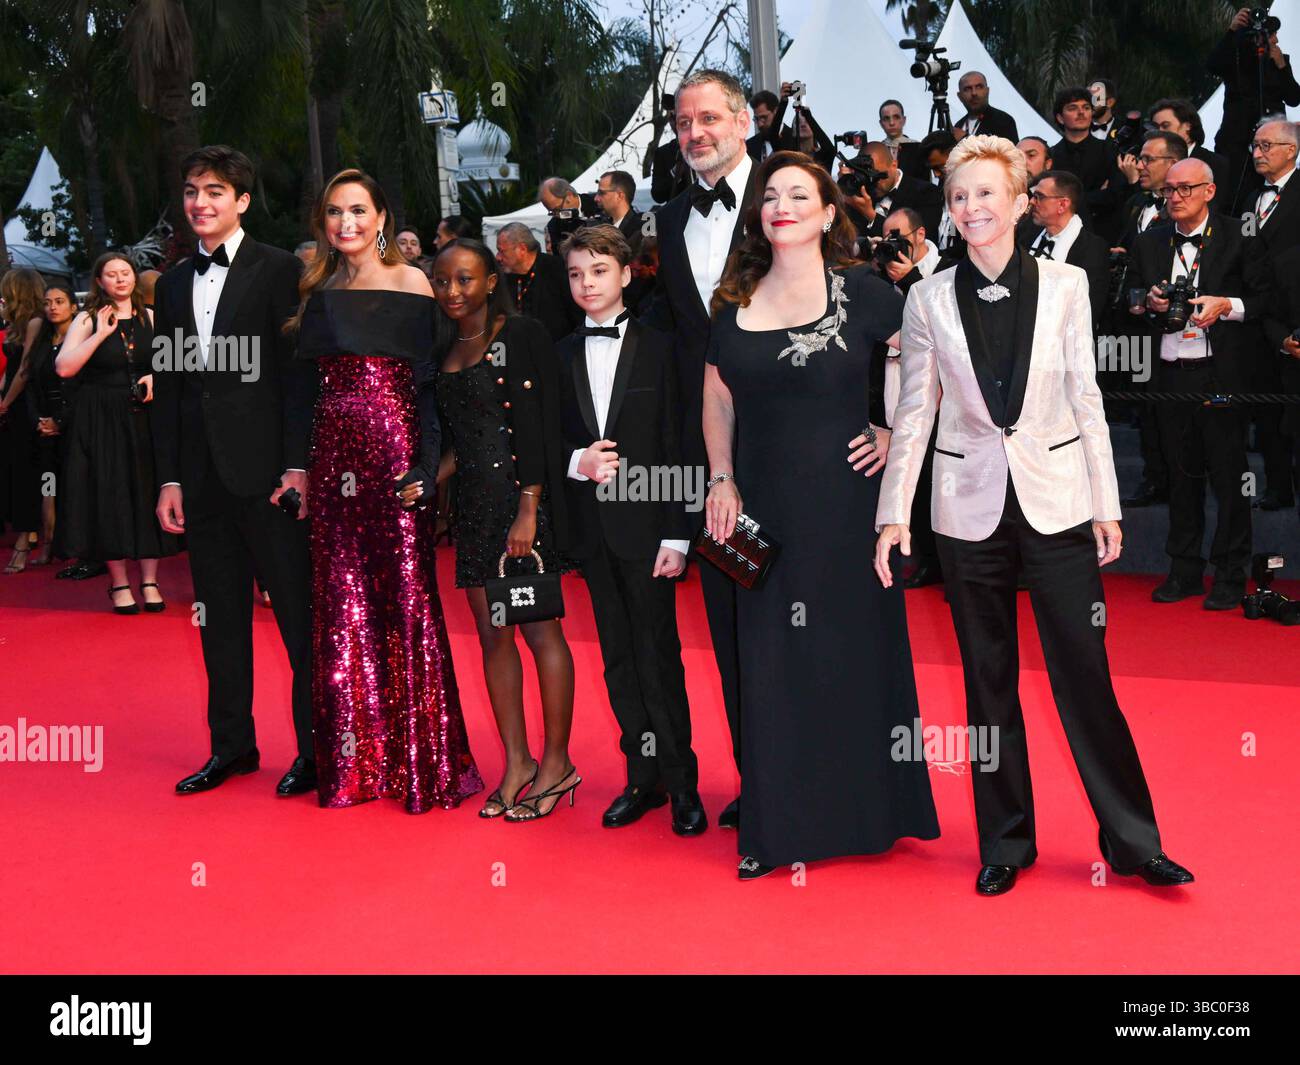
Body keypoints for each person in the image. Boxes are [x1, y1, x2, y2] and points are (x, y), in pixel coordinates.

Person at [875, 134, 1193, 896]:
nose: (972, 206)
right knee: (987, 684)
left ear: (1022, 203)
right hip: (964, 510)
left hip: (1056, 503)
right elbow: (916, 412)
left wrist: (1105, 502)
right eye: (959, 196)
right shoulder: (924, 297)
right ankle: (1005, 842)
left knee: (1085, 675)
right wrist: (894, 514)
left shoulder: (1068, 286)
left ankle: (1133, 840)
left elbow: (1087, 396)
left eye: (987, 193)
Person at [704, 151, 938, 879]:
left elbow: (922, 363)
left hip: (843, 504)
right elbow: (717, 396)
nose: (782, 205)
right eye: (770, 195)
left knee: (850, 651)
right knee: (769, 660)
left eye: (799, 194)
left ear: (829, 212)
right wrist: (721, 476)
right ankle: (779, 822)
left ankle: (869, 811)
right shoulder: (734, 299)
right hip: (757, 509)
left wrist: (894, 431)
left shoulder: (865, 293)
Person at [286, 168, 483, 813]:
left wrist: (430, 467)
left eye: (358, 210)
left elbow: (430, 386)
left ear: (380, 218)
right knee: (341, 604)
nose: (346, 223)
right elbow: (305, 394)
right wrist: (302, 470)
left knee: (406, 597)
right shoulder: (317, 292)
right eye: (335, 212)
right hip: (331, 461)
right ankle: (354, 766)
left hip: (395, 459)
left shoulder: (414, 284)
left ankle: (420, 764)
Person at [151, 145, 315, 797]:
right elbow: (169, 386)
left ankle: (315, 750)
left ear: (242, 201)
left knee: (299, 621)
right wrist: (168, 477)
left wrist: (297, 463)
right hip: (201, 476)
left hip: (271, 476)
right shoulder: (168, 284)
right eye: (192, 191)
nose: (201, 203)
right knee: (219, 619)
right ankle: (232, 748)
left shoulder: (279, 270)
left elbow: (298, 377)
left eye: (215, 191)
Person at [642, 68, 758, 831]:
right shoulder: (672, 215)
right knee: (732, 627)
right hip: (716, 462)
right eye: (684, 123)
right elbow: (687, 357)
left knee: (799, 620)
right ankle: (761, 776)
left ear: (744, 121)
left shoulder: (792, 193)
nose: (696, 134)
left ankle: (818, 774)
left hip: (798, 449)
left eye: (710, 118)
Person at [556, 224, 701, 834]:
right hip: (592, 532)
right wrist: (576, 462)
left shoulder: (663, 347)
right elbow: (542, 437)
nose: (586, 284)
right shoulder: (559, 352)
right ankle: (642, 778)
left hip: (650, 530)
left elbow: (681, 438)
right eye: (575, 274)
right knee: (617, 658)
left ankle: (683, 783)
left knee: (658, 656)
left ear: (625, 275)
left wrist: (677, 534)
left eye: (597, 271)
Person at [430, 238, 579, 822]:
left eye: (464, 279)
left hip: (521, 513)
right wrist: (422, 481)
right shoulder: (445, 345)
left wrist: (529, 506)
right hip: (473, 513)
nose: (452, 291)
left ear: (492, 281)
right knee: (495, 639)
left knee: (540, 635)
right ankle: (516, 761)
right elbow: (460, 445)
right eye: (441, 281)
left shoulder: (520, 335)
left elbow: (541, 426)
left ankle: (557, 762)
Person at [1130, 157, 1264, 610]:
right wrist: (1146, 300)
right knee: (1180, 477)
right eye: (1169, 190)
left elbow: (1267, 297)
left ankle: (1230, 574)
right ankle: (1184, 569)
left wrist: (1226, 304)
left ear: (1209, 190)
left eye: (1185, 189)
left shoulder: (1238, 234)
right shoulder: (1150, 240)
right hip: (1170, 374)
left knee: (1230, 480)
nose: (1175, 197)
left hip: (1220, 372)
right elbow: (1129, 297)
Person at [56, 252, 177, 612]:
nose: (121, 280)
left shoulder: (152, 317)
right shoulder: (88, 318)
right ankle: (120, 583)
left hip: (144, 416)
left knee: (145, 489)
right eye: (112, 275)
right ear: (100, 282)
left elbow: (174, 364)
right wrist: (100, 335)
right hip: (100, 417)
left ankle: (150, 581)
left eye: (126, 273)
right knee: (108, 492)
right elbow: (64, 368)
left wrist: (157, 377)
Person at [1243, 118, 1300, 511]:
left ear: (1291, 150)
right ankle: (1278, 488)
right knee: (1267, 414)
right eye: (1255, 145)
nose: (1257, 153)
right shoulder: (1249, 199)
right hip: (1262, 324)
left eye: (1266, 146)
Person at [1209, 6, 1300, 211]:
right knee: (1233, 193)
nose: (1275, 40)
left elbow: (1294, 98)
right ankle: (1234, 234)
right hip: (1237, 140)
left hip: (1271, 141)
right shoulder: (1237, 58)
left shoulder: (1280, 60)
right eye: (1271, 36)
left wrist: (1282, 67)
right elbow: (1213, 65)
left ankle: (1250, 233)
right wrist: (1231, 32)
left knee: (1259, 195)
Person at [25, 284, 79, 567]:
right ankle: (48, 545)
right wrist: (38, 421)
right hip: (44, 426)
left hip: (74, 423)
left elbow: (81, 387)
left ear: (73, 306)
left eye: (59, 301)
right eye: (47, 302)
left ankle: (76, 548)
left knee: (74, 485)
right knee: (49, 486)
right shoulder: (42, 344)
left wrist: (61, 421)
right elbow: (31, 385)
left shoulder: (82, 339)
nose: (53, 307)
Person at [0, 268, 46, 573]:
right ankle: (26, 534)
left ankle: (24, 541)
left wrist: (5, 402)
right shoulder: (16, 324)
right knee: (14, 470)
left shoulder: (36, 322)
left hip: (27, 405)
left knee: (27, 472)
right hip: (11, 404)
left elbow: (26, 369)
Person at [1023, 170, 1111, 329]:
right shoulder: (1026, 236)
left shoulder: (1092, 249)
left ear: (1063, 204)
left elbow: (1089, 309)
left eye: (1039, 197)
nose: (1032, 201)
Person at [1049, 87, 1124, 239]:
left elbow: (1115, 196)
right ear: (1060, 118)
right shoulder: (1051, 155)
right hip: (1058, 233)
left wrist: (1068, 200)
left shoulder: (1110, 151)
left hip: (1101, 233)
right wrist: (1095, 195)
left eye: (1086, 108)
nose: (1081, 112)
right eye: (1073, 108)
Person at [495, 221, 581, 341]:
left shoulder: (558, 270)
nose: (497, 257)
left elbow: (578, 317)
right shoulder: (505, 279)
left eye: (501, 251)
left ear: (522, 249)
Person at [844, 141, 943, 243]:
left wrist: (870, 214)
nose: (874, 182)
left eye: (878, 176)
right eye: (869, 177)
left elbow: (917, 241)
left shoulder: (926, 193)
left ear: (894, 165)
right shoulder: (858, 195)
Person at [1147, 98, 1230, 211]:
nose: (1160, 132)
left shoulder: (1215, 164)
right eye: (1155, 128)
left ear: (1187, 126)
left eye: (1166, 126)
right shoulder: (1147, 163)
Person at [953, 71, 1020, 143]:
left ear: (987, 91)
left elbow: (1008, 153)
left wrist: (965, 138)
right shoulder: (959, 125)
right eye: (968, 89)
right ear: (960, 96)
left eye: (979, 87)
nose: (974, 93)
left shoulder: (1003, 120)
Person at [746, 89, 779, 162]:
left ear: (776, 112)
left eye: (764, 117)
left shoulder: (794, 140)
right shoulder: (749, 145)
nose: (760, 124)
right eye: (756, 119)